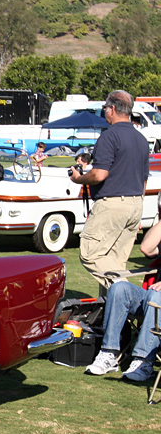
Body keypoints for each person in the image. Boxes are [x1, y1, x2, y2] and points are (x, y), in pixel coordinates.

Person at [69, 89, 151, 294]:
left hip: (112, 204)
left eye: (105, 108)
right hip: (135, 204)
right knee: (114, 264)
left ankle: (131, 297)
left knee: (90, 254)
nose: (105, 112)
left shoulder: (109, 136)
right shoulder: (141, 139)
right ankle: (115, 316)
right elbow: (143, 180)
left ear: (112, 109)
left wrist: (79, 178)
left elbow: (99, 175)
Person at [85, 219, 161, 380]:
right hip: (154, 297)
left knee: (156, 296)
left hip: (158, 297)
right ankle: (109, 353)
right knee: (119, 288)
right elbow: (147, 248)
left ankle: (144, 361)